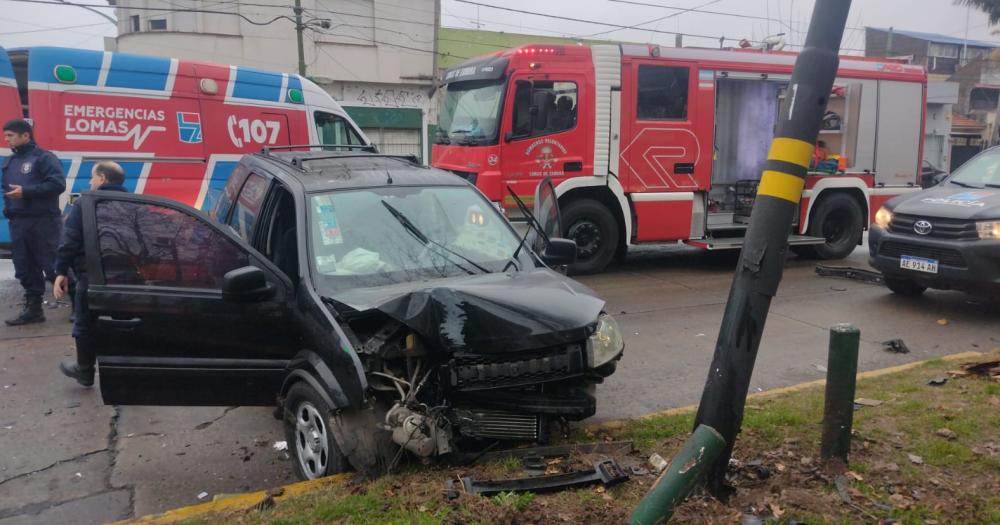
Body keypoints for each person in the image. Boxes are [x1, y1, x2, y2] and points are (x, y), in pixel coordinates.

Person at [54, 161, 128, 387]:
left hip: (92, 276)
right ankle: (123, 373)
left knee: (85, 323)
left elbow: (70, 241)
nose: (90, 181)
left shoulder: (86, 203)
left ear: (103, 179)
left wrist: (60, 270)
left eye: (93, 177)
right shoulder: (131, 203)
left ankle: (84, 370)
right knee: (122, 323)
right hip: (125, 277)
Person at [2, 119, 66, 326]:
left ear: (25, 135)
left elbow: (57, 184)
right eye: (6, 135)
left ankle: (80, 306)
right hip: (19, 222)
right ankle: (34, 310)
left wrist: (26, 192)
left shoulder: (44, 158)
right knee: (25, 267)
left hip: (43, 221)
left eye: (10, 135)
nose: (6, 139)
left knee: (53, 264)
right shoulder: (10, 162)